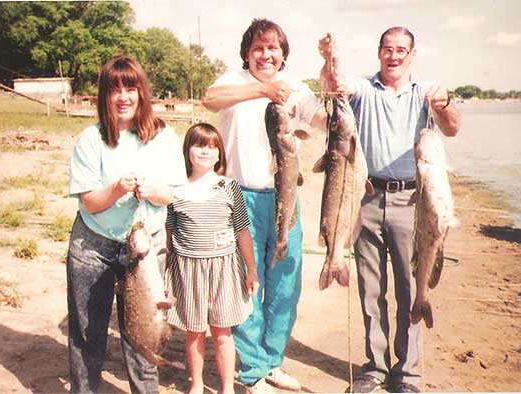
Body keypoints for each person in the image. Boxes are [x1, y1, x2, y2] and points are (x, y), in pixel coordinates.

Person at [318, 27, 459, 393]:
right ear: (378, 52)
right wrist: (329, 59)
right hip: (364, 197)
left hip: (412, 201)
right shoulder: (364, 89)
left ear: (412, 54)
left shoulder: (425, 93)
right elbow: (335, 85)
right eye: (387, 49)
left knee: (410, 288)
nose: (393, 56)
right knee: (370, 289)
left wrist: (443, 103)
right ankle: (375, 367)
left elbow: (453, 128)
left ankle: (408, 373)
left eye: (401, 50)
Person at [202, 18, 327, 394]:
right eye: (258, 48)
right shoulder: (232, 81)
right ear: (246, 53)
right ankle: (253, 369)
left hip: (285, 194)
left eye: (273, 48)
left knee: (286, 281)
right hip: (238, 196)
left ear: (283, 54)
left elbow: (322, 121)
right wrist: (260, 91)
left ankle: (272, 361)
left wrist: (331, 93)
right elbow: (209, 100)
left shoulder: (297, 90)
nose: (266, 54)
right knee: (245, 281)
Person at [66, 55, 187, 393]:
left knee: (143, 337)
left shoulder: (163, 136)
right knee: (87, 335)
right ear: (104, 95)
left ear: (141, 92)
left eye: (130, 88)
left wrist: (154, 192)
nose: (123, 97)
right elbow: (89, 200)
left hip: (145, 251)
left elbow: (173, 193)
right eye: (114, 89)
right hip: (94, 247)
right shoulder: (90, 139)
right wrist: (116, 189)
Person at [165, 123, 260, 394]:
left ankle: (227, 386)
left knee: (222, 332)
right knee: (194, 332)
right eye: (198, 145)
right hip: (187, 269)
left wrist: (251, 270)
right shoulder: (175, 190)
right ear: (187, 151)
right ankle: (196, 383)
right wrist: (166, 278)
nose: (205, 151)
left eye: (211, 146)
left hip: (224, 268)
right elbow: (169, 236)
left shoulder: (229, 187)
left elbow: (242, 231)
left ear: (220, 154)